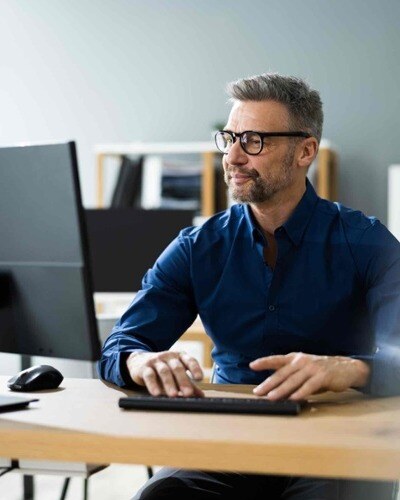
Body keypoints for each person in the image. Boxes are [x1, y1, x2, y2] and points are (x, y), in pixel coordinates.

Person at [98, 73, 400, 499]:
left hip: (336, 439)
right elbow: (121, 345)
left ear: (305, 151)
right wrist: (140, 362)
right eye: (230, 138)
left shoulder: (366, 241)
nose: (234, 156)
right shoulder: (197, 247)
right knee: (159, 496)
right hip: (231, 440)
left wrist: (349, 368)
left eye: (255, 140)